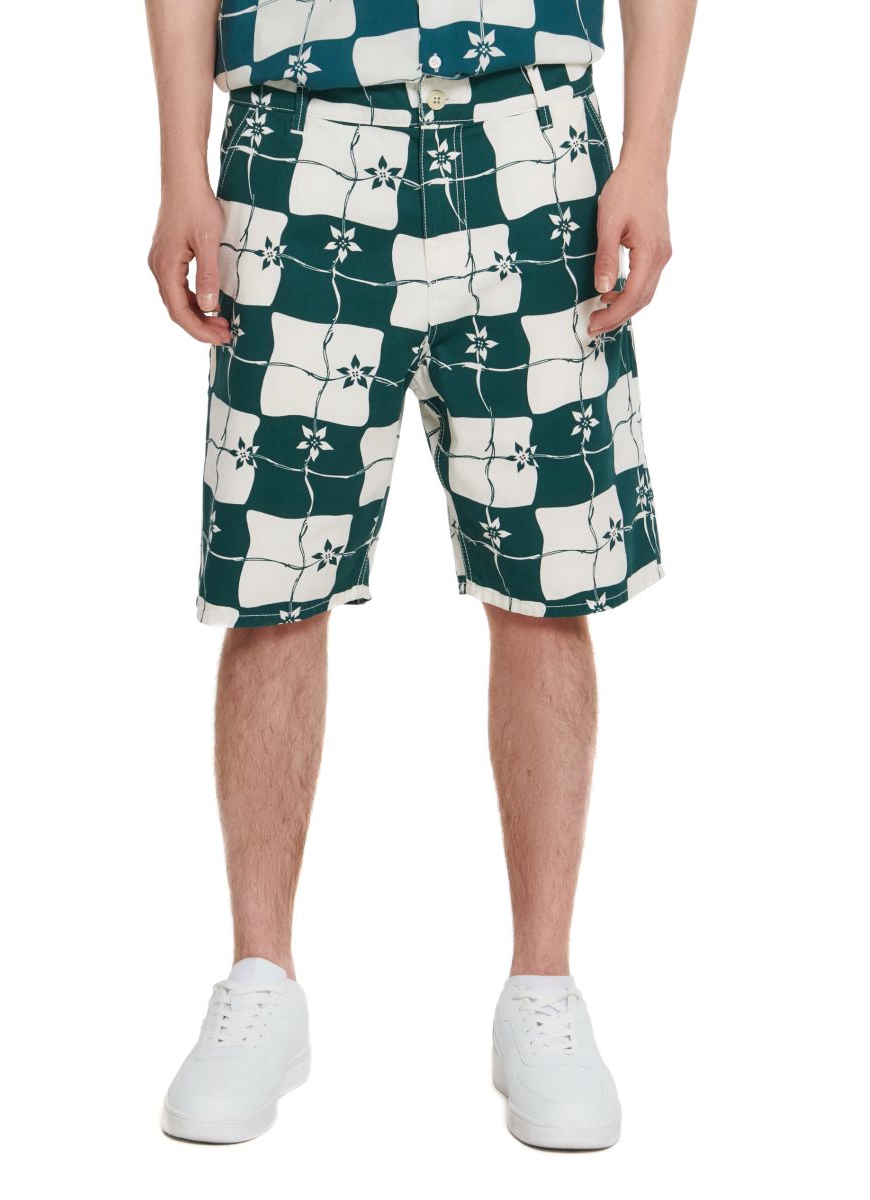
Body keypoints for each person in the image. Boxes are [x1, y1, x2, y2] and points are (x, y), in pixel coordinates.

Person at [146, 0, 696, 1149]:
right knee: (273, 580)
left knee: (546, 581)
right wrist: (178, 163)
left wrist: (647, 150)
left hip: (530, 135)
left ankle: (542, 987)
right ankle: (261, 978)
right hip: (298, 131)